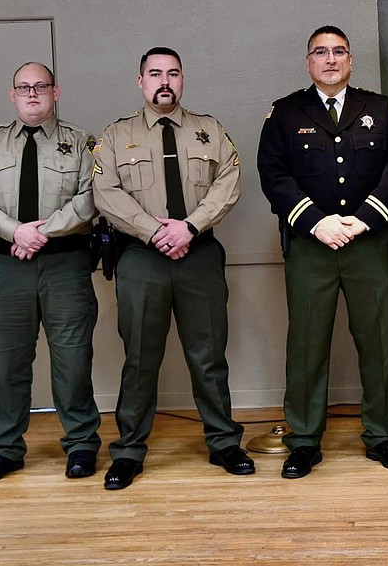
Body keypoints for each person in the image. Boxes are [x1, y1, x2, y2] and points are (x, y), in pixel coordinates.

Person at [257, 26, 388, 478]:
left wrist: (364, 218)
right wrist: (315, 221)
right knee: (307, 345)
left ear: (350, 60)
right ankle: (304, 441)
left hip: (368, 243)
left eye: (339, 52)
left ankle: (382, 437)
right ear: (308, 62)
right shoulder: (287, 113)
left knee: (378, 342)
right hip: (311, 246)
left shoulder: (380, 110)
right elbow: (274, 175)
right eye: (321, 52)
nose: (330, 59)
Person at [92, 47, 251, 489]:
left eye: (174, 73)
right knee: (140, 358)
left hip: (198, 254)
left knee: (208, 356)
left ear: (183, 80)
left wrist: (190, 228)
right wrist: (154, 232)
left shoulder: (209, 130)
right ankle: (128, 452)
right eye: (155, 73)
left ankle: (224, 442)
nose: (165, 81)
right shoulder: (115, 134)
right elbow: (105, 192)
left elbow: (229, 182)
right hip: (141, 257)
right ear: (140, 81)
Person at [0, 62, 102, 483]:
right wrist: (15, 232)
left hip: (65, 265)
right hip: (8, 266)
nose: (33, 93)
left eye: (41, 86)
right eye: (24, 87)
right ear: (12, 94)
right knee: (9, 364)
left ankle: (80, 445)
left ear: (56, 92)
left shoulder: (81, 143)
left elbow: (91, 197)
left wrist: (42, 232)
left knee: (73, 362)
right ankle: (6, 449)